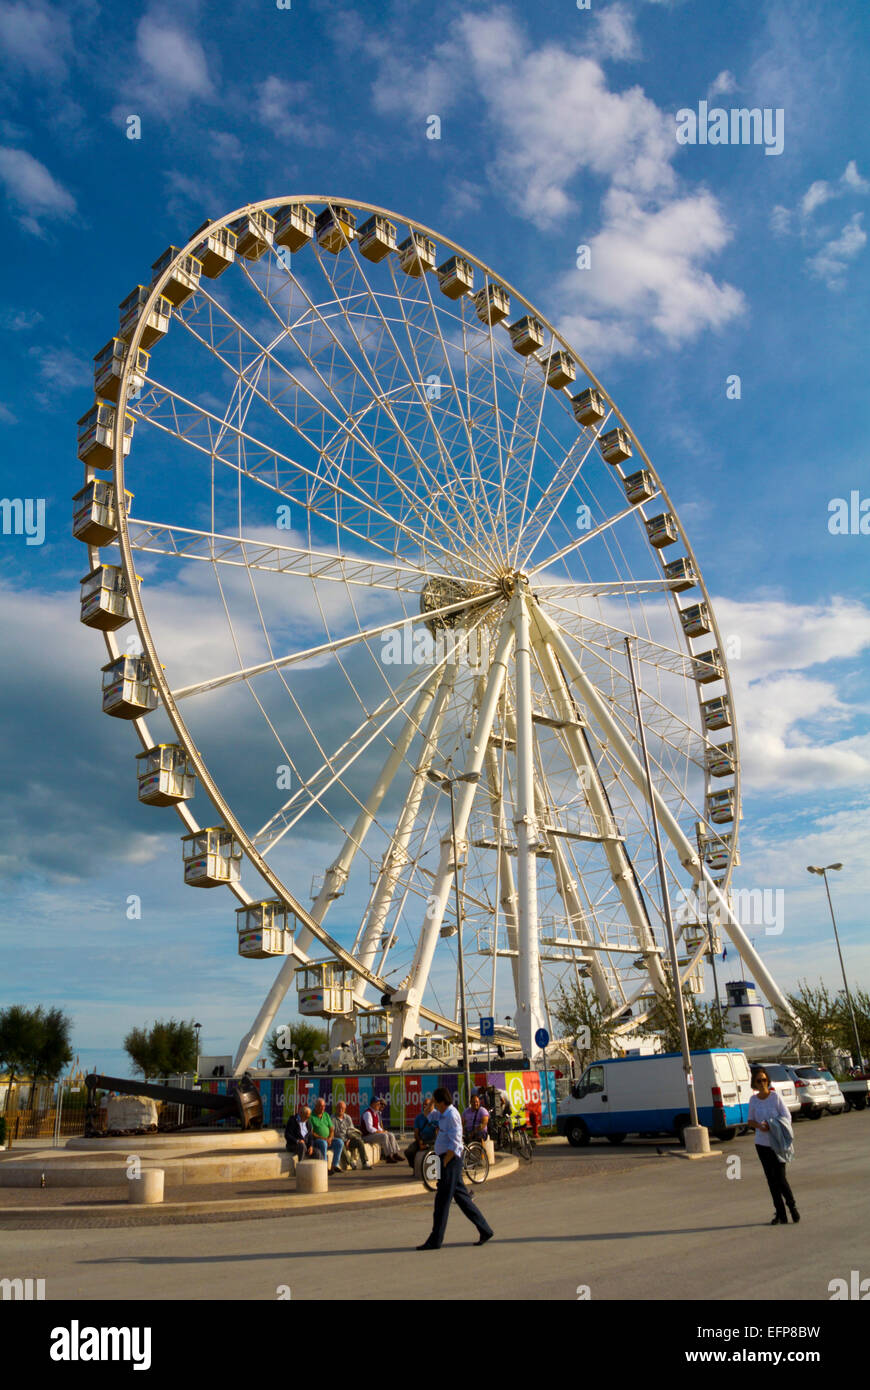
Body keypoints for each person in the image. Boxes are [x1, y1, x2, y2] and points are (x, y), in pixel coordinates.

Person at [417, 1087, 494, 1250]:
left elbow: (456, 1143)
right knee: (463, 1199)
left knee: (441, 1202)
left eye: (436, 1102)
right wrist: (430, 1102)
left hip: (450, 1161)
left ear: (442, 1102)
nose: (434, 1105)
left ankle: (435, 1240)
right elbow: (428, 1114)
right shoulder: (442, 1114)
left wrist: (445, 1161)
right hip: (445, 1159)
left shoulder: (451, 1115)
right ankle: (485, 1229)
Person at [748, 1068, 799, 1225]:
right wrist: (759, 1126)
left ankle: (792, 1207)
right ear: (754, 1084)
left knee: (781, 1178)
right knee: (771, 1180)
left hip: (777, 1143)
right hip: (762, 1144)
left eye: (764, 1080)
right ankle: (780, 1213)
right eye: (759, 1081)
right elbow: (750, 1120)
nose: (762, 1083)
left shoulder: (775, 1097)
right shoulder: (753, 1100)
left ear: (768, 1081)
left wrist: (772, 1125)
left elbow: (787, 1116)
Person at [360, 1097, 403, 1162]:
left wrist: (383, 1131)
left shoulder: (376, 1113)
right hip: (367, 1136)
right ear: (373, 1104)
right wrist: (380, 1132)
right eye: (378, 1104)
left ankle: (395, 1153)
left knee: (390, 1134)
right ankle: (388, 1156)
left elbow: (377, 1126)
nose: (379, 1106)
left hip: (373, 1135)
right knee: (384, 1136)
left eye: (379, 1104)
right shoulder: (368, 1113)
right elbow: (369, 1128)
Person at [308, 1096, 344, 1173]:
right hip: (317, 1140)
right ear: (316, 1106)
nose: (323, 1108)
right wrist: (324, 1138)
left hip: (328, 1140)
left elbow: (331, 1129)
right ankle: (324, 1167)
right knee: (323, 1143)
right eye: (321, 1106)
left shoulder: (326, 1115)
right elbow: (311, 1133)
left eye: (324, 1106)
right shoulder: (311, 1116)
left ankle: (334, 1165)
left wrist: (330, 1138)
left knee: (339, 1142)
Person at [333, 1101, 372, 1170]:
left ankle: (364, 1162)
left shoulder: (347, 1118)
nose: (340, 1110)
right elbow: (332, 1133)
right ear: (336, 1108)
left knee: (359, 1141)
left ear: (345, 1109)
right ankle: (351, 1163)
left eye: (342, 1108)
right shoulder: (332, 1118)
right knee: (340, 1144)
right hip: (339, 1140)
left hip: (348, 1139)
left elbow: (351, 1131)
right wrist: (343, 1140)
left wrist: (349, 1139)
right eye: (339, 1108)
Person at [405, 1096, 440, 1167]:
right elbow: (416, 1133)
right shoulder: (419, 1117)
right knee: (409, 1152)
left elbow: (439, 1131)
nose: (424, 1106)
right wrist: (420, 1142)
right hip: (422, 1140)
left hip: (433, 1141)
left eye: (427, 1104)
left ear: (433, 1106)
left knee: (431, 1152)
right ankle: (415, 1167)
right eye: (423, 1104)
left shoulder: (437, 1116)